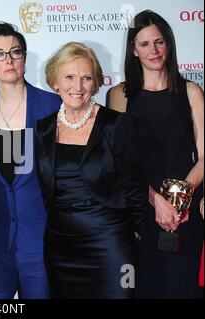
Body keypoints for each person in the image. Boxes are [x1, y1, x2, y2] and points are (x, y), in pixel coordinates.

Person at [36, 42, 146, 298]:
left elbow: (135, 186)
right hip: (60, 248)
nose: (78, 87)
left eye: (86, 78)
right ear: (55, 82)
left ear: (96, 83)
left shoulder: (116, 124)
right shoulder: (43, 130)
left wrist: (137, 234)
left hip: (111, 245)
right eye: (70, 77)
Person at [108, 10, 203, 298]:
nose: (154, 50)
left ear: (169, 45)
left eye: (159, 42)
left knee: (185, 285)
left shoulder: (191, 91)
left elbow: (204, 154)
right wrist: (156, 200)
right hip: (141, 206)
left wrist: (181, 198)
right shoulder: (120, 95)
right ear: (134, 50)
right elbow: (118, 161)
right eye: (145, 44)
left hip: (187, 205)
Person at [0, 22, 61, 299]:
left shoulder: (52, 106)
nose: (9, 59)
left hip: (41, 242)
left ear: (24, 56)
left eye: (15, 51)